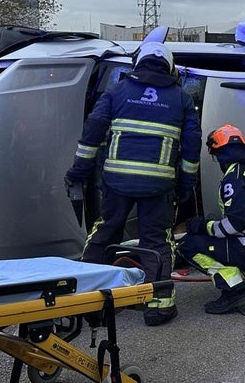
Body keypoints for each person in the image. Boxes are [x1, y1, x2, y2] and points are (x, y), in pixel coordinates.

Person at [65, 30, 202, 326]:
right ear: (169, 67)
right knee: (157, 242)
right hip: (159, 185)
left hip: (116, 183)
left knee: (105, 234)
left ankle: (89, 304)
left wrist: (78, 172)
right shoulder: (181, 99)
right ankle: (159, 306)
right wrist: (184, 187)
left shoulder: (117, 92)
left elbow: (92, 134)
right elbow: (191, 149)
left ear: (138, 63)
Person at [178, 124, 245, 314]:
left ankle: (233, 288)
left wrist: (204, 226)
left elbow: (236, 223)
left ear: (220, 154)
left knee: (188, 244)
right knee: (225, 241)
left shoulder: (232, 179)